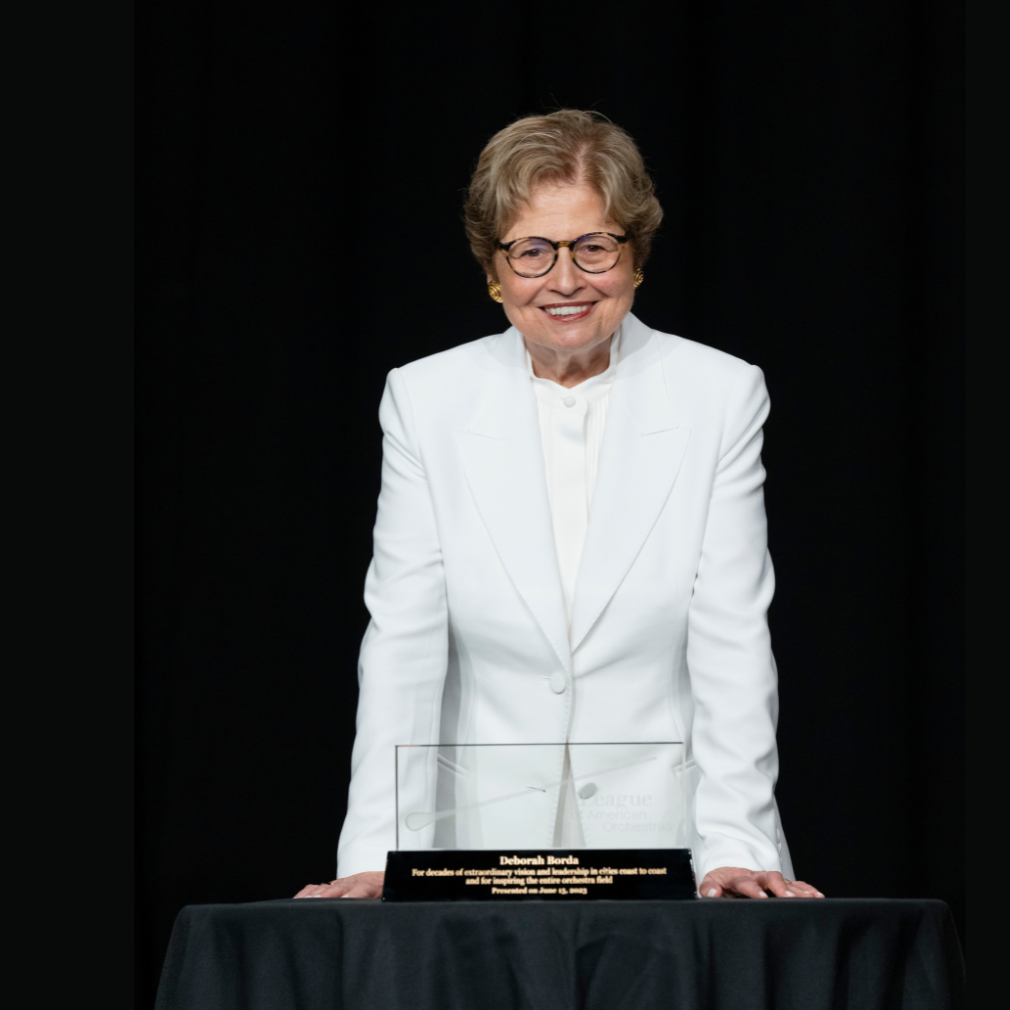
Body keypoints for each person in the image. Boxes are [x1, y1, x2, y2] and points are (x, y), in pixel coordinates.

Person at [296, 110, 821, 900]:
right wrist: (378, 852)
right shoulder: (426, 398)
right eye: (532, 250)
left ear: (636, 257)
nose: (565, 279)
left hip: (674, 846)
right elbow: (404, 641)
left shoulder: (720, 393)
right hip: (476, 844)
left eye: (594, 246)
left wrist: (735, 842)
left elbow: (731, 639)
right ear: (494, 269)